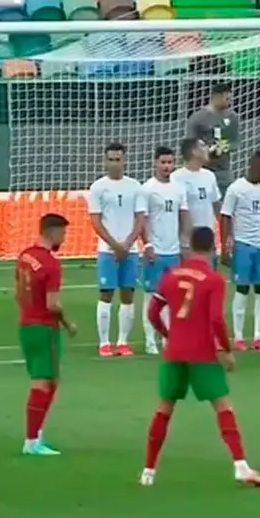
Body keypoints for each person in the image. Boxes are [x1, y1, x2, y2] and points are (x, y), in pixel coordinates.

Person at [140, 226, 260, 488]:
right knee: (223, 407)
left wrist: (168, 333)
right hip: (202, 353)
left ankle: (148, 472)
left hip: (174, 352)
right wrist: (226, 350)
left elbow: (154, 312)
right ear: (213, 248)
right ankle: (240, 465)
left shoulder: (170, 275)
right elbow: (215, 319)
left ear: (189, 246)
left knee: (164, 410)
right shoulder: (213, 280)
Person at [16, 213, 77, 456]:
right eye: (63, 233)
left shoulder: (25, 256)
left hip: (26, 325)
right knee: (44, 382)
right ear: (52, 232)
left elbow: (17, 292)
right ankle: (32, 440)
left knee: (47, 379)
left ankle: (36, 433)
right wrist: (67, 323)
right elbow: (52, 304)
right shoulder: (51, 264)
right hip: (43, 328)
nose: (64, 238)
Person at [87, 142, 146, 357]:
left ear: (124, 160)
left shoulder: (135, 187)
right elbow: (95, 221)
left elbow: (140, 218)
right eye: (110, 159)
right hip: (107, 250)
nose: (114, 163)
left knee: (128, 294)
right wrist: (114, 245)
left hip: (130, 251)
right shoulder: (98, 187)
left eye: (118, 159)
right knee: (106, 294)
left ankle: (122, 341)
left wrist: (128, 243)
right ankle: (104, 342)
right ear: (104, 161)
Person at [220, 151, 260, 352]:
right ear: (253, 166)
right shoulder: (236, 189)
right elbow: (225, 217)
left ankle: (258, 337)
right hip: (243, 245)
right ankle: (238, 337)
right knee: (242, 289)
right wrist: (225, 246)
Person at [140, 146, 190, 355]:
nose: (167, 166)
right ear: (155, 163)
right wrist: (148, 245)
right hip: (156, 251)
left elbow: (184, 216)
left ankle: (168, 338)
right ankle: (149, 340)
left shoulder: (179, 188)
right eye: (163, 162)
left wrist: (185, 243)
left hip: (173, 251)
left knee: (172, 298)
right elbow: (142, 220)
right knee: (151, 296)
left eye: (170, 162)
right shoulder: (147, 189)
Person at [171, 138, 222, 266]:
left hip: (208, 241)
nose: (208, 149)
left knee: (208, 280)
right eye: (203, 146)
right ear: (194, 151)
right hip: (187, 243)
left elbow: (216, 205)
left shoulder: (209, 176)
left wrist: (227, 234)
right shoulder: (177, 177)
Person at [186, 83, 239, 193]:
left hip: (224, 172)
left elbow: (236, 141)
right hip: (202, 170)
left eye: (230, 99)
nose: (229, 102)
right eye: (227, 99)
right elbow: (189, 144)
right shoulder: (198, 118)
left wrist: (224, 147)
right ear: (216, 97)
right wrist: (207, 151)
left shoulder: (232, 116)